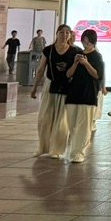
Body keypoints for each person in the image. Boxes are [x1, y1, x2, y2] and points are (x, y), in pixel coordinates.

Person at [31, 26, 76, 158]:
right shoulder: (48, 50)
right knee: (44, 118)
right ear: (56, 34)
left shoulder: (75, 51)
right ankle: (42, 147)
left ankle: (56, 150)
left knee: (61, 120)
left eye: (67, 33)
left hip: (66, 86)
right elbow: (40, 69)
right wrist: (34, 87)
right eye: (61, 32)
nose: (64, 35)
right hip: (50, 85)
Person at [63, 29, 105, 163]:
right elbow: (68, 74)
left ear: (93, 41)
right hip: (73, 94)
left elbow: (97, 75)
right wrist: (76, 62)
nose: (86, 43)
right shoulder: (77, 54)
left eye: (88, 41)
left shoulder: (97, 56)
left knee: (84, 125)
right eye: (84, 40)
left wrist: (86, 63)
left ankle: (78, 152)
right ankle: (73, 149)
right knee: (72, 124)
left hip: (88, 95)